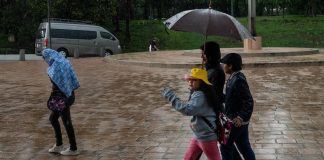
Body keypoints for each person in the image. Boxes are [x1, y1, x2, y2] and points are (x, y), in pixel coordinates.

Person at [161, 68, 221, 160]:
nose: (190, 82)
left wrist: (171, 97)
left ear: (202, 82)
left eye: (194, 80)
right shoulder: (201, 92)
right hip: (198, 135)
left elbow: (187, 110)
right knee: (188, 158)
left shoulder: (200, 95)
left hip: (206, 137)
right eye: (189, 79)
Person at [42, 49, 80, 156]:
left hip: (62, 98)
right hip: (69, 94)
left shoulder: (56, 67)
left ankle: (73, 148)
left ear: (49, 56)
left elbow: (57, 83)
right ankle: (59, 145)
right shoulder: (65, 62)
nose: (45, 60)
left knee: (66, 121)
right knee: (53, 118)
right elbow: (71, 79)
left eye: (44, 58)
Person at [220, 53, 255, 160]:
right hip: (237, 120)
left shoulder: (238, 79)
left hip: (236, 121)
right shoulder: (233, 77)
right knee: (244, 146)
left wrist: (240, 117)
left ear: (230, 66)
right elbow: (232, 98)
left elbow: (249, 101)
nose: (223, 66)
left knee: (225, 146)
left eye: (225, 64)